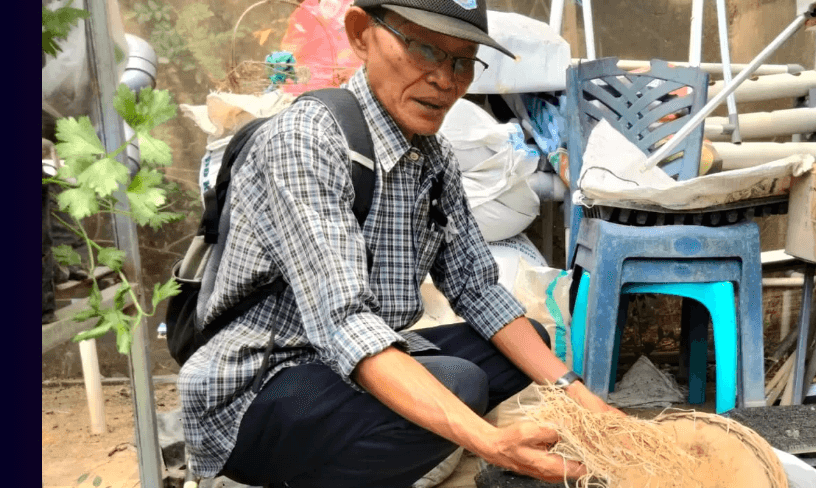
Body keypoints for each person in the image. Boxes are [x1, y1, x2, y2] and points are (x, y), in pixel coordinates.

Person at [177, 1, 620, 486]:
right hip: (258, 385)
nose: (445, 80)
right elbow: (345, 323)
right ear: (361, 34)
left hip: (341, 368)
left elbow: (478, 290)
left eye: (463, 61)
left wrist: (580, 396)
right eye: (425, 48)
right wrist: (490, 442)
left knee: (526, 341)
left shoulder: (434, 158)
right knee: (459, 382)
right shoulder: (306, 140)